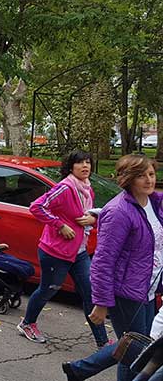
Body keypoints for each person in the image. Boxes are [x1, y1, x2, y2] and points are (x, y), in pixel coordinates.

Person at [64, 154, 163, 381]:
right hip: (126, 291)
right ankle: (80, 369)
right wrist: (101, 303)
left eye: (151, 174)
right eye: (141, 175)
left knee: (135, 345)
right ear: (128, 179)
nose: (149, 180)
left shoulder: (154, 203)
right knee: (136, 349)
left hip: (146, 287)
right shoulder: (119, 211)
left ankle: (78, 370)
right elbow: (103, 261)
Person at [20, 150, 108, 346]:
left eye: (88, 162)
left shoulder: (87, 188)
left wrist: (94, 219)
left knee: (90, 294)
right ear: (71, 167)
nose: (85, 166)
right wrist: (60, 225)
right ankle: (27, 323)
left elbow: (86, 214)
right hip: (55, 252)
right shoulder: (65, 188)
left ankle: (102, 342)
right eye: (80, 163)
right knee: (48, 290)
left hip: (80, 251)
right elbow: (37, 207)